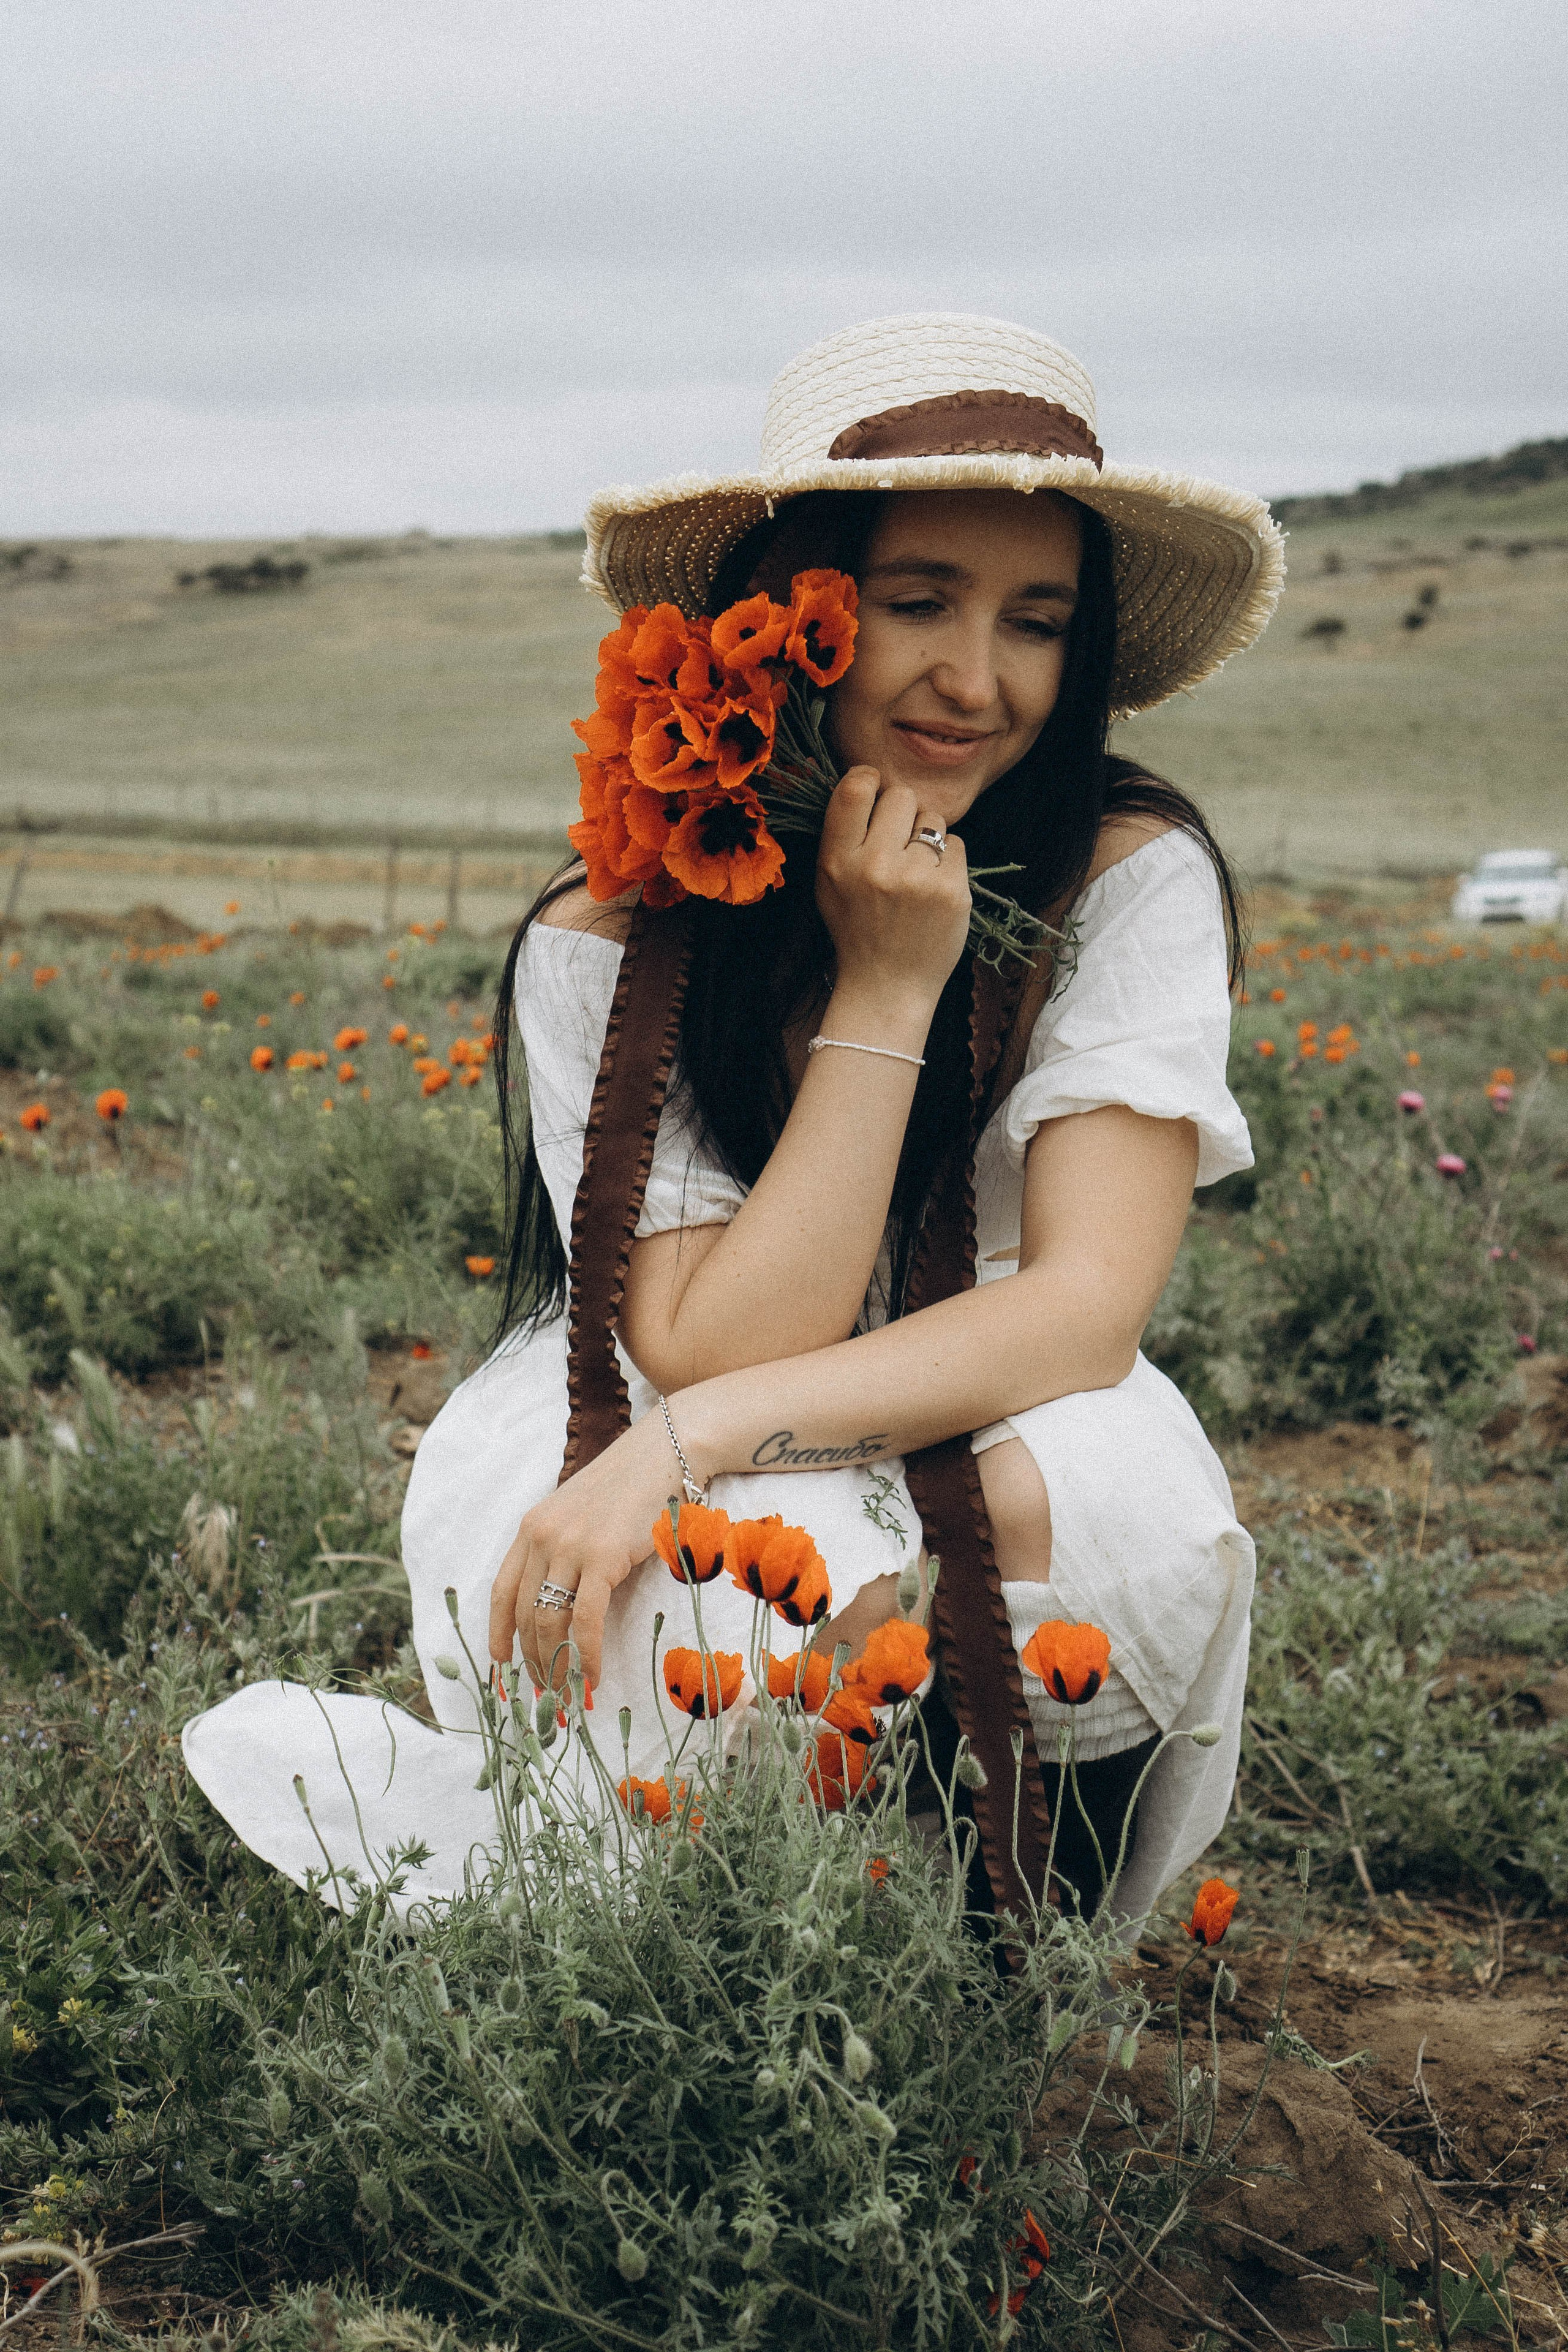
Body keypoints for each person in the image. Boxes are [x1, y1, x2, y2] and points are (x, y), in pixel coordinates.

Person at [184, 312, 1283, 1924]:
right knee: (724, 1571)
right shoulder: (615, 932)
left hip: (1003, 1374)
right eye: (917, 604)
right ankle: (743, 1961)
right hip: (676, 1374)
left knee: (1078, 1509)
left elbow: (1083, 1308)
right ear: (795, 623)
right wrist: (890, 991)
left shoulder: (1123, 872)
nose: (980, 683)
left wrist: (684, 1449)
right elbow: (714, 1337)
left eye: (1037, 622)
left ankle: (1007, 1956)